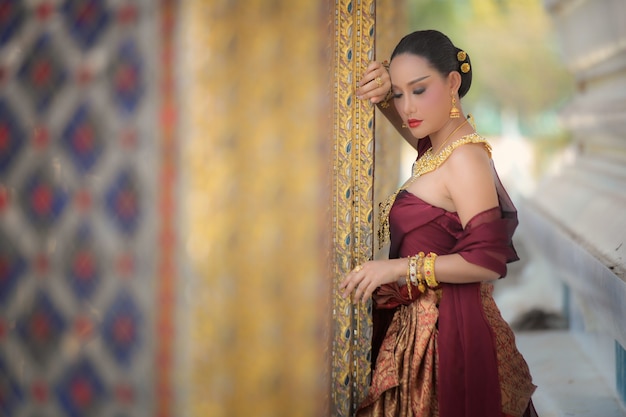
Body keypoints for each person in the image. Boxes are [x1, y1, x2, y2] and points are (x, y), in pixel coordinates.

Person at [339, 30, 538, 417]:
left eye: (419, 89)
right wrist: (383, 88)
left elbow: (486, 261)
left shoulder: (465, 159)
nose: (406, 106)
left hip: (447, 341)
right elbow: (416, 130)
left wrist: (395, 268)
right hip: (421, 332)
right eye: (399, 94)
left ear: (452, 83)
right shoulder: (439, 149)